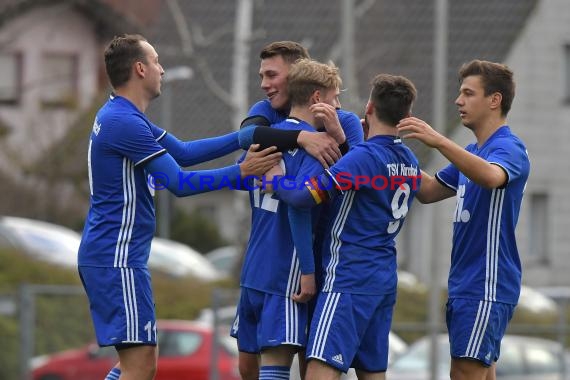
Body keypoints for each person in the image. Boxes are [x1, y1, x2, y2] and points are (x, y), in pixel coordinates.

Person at [77, 34, 282, 380]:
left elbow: (184, 152)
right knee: (140, 365)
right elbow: (179, 183)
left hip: (115, 257)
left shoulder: (123, 114)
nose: (162, 69)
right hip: (116, 258)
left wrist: (243, 137)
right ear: (140, 69)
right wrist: (241, 172)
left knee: (139, 364)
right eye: (156, 61)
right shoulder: (123, 122)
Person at [270, 73, 420, 380]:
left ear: (369, 108)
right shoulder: (409, 159)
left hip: (349, 280)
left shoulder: (364, 157)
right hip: (383, 281)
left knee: (318, 373)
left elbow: (303, 197)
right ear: (407, 115)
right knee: (373, 373)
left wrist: (276, 181)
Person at [233, 41, 364, 380]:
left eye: (271, 75)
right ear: (318, 96)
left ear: (296, 78)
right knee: (260, 365)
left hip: (284, 265)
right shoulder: (280, 126)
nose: (265, 84)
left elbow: (360, 171)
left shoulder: (338, 124)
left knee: (294, 362)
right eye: (262, 75)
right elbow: (297, 202)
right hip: (280, 267)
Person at [397, 60, 530, 380]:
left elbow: (490, 177)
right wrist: (389, 148)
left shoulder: (508, 148)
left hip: (486, 283)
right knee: (478, 373)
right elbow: (427, 191)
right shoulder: (475, 150)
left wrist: (438, 140)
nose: (459, 101)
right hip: (466, 283)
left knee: (464, 372)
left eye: (468, 93)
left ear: (494, 100)